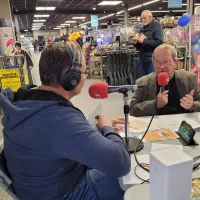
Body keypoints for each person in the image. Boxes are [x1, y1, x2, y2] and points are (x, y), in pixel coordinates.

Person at [1, 41, 130, 200]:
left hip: (37, 189)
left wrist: (92, 131)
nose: (85, 78)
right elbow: (121, 162)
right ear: (71, 79)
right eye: (83, 73)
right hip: (63, 193)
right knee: (126, 179)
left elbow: (55, 139)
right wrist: (107, 128)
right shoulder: (59, 118)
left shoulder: (24, 103)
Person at [130, 44, 200, 117]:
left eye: (166, 61)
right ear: (153, 63)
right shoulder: (143, 82)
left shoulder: (189, 78)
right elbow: (132, 109)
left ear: (175, 62)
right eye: (157, 62)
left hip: (182, 124)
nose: (162, 66)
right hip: (155, 126)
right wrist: (155, 104)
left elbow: (198, 102)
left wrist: (192, 105)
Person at [132, 10, 163, 76]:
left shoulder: (157, 27)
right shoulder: (142, 28)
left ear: (150, 17)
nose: (143, 20)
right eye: (142, 19)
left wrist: (144, 41)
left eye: (144, 18)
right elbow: (140, 47)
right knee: (143, 82)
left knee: (152, 81)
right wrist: (136, 43)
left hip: (152, 60)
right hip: (143, 59)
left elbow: (159, 42)